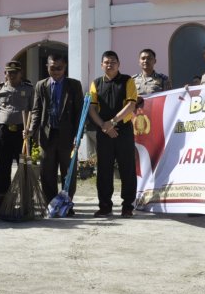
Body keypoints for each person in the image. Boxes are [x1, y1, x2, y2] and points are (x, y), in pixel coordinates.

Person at [28, 53, 85, 208]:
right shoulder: (41, 85)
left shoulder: (74, 85)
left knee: (69, 172)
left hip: (67, 136)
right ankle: (51, 204)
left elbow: (80, 112)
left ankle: (66, 203)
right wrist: (31, 130)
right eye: (52, 68)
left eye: (59, 68)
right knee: (47, 172)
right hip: (47, 136)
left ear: (64, 67)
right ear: (47, 67)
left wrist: (78, 135)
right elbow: (36, 111)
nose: (56, 71)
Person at [87, 51, 138, 218]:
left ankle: (128, 206)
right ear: (102, 65)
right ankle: (105, 206)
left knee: (127, 169)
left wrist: (113, 122)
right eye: (106, 62)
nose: (110, 65)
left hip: (123, 130)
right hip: (103, 131)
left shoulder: (127, 81)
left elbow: (131, 105)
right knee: (103, 170)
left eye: (113, 62)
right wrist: (104, 125)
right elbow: (92, 108)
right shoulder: (96, 83)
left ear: (119, 64)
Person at [0, 60, 33, 196]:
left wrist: (31, 130)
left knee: (23, 166)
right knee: (2, 167)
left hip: (22, 133)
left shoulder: (28, 89)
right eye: (9, 72)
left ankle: (25, 198)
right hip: (3, 132)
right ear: (5, 74)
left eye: (15, 72)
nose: (12, 75)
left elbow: (35, 111)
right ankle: (1, 198)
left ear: (20, 73)